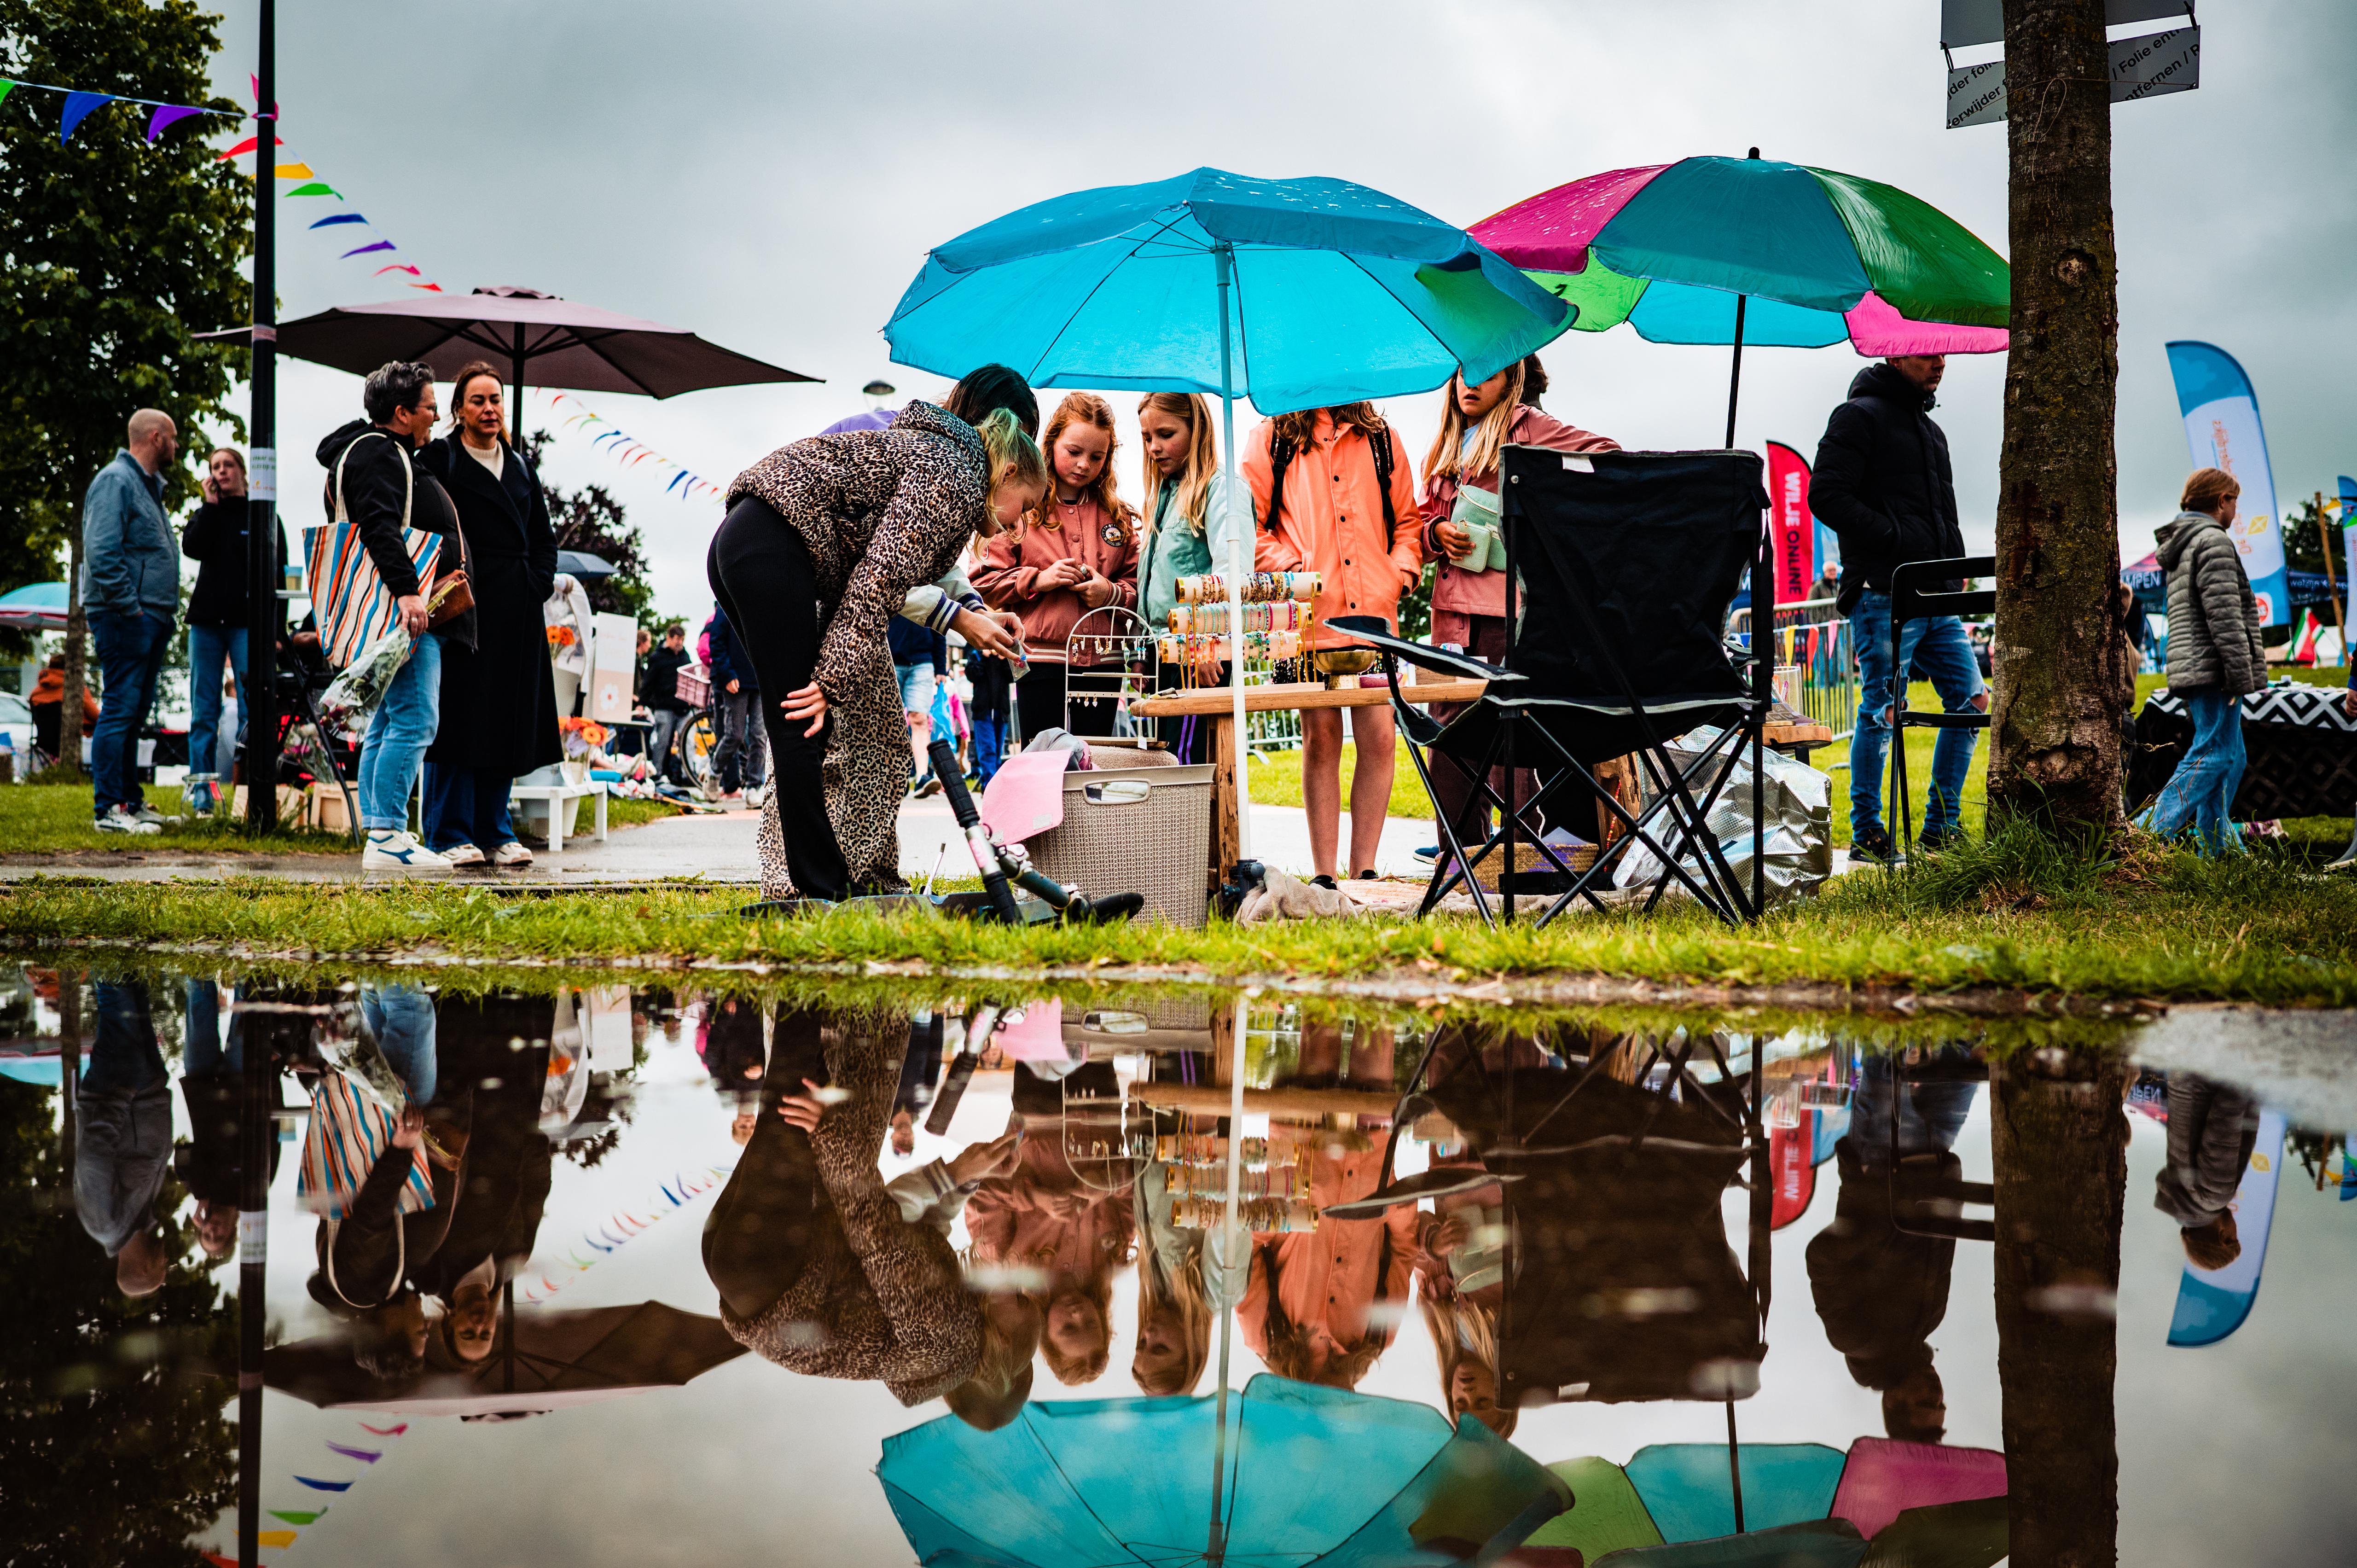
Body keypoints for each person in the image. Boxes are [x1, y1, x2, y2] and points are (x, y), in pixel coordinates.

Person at [710, 364, 1048, 903]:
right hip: (775, 547)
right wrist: (831, 680)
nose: (1018, 525)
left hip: (749, 540)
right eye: (1024, 506)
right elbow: (880, 579)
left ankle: (838, 880)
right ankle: (818, 889)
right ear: (1006, 463)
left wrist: (971, 608)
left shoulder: (943, 459)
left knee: (812, 727)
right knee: (800, 725)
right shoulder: (952, 473)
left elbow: (913, 564)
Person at [703, 1006, 1033, 1426]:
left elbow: (879, 1236)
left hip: (771, 1270)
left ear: (1004, 1343)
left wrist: (830, 1134)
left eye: (1020, 1301)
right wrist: (971, 1178)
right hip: (747, 1274)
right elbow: (923, 1232)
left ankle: (804, 973)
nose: (1018, 1285)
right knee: (802, 1076)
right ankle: (815, 986)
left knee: (796, 1071)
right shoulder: (936, 1349)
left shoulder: (946, 1340)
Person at [1419, 357, 1618, 853]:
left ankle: (1520, 854)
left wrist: (1540, 517)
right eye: (1463, 373)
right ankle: (1461, 856)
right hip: (1450, 617)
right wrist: (1436, 532)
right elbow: (1419, 523)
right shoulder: (1445, 444)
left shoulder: (1528, 427)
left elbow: (1607, 455)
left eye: (1486, 373)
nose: (1470, 383)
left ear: (1511, 381)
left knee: (1511, 736)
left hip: (1505, 613)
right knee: (1447, 738)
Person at [1810, 354, 1987, 861]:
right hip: (1882, 591)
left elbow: (1940, 510)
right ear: (1895, 353)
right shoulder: (1858, 415)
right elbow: (1825, 493)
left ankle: (1940, 829)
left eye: (1943, 353)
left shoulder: (1932, 432)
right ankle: (1867, 834)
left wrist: (1951, 566)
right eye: (1927, 354)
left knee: (1973, 701)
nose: (1939, 362)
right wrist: (1891, 538)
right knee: (1882, 710)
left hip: (1936, 595)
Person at [1245, 402, 1423, 883]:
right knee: (1320, 739)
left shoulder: (1382, 438)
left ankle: (1364, 870)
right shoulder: (1272, 438)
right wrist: (1290, 569)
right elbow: (1248, 526)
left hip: (1374, 622)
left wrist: (1398, 575)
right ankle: (1324, 876)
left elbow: (1409, 523)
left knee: (1380, 739)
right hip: (1303, 620)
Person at [317, 361, 463, 871]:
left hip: (390, 609)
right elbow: (380, 525)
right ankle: (387, 836)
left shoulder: (373, 450)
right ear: (402, 413)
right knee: (417, 718)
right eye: (430, 407)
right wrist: (407, 592)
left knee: (388, 721)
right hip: (400, 610)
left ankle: (383, 831)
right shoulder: (380, 453)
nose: (436, 417)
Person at [416, 363, 561, 867]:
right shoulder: (440, 458)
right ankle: (448, 833)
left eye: (495, 399)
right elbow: (421, 525)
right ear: (458, 409)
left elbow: (544, 540)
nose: (489, 409)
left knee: (505, 718)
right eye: (477, 400)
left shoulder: (521, 466)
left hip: (517, 610)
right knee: (458, 717)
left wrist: (535, 585)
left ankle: (495, 831)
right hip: (462, 607)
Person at [1805, 1050, 1979, 1443]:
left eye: (1925, 1403)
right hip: (1937, 1149)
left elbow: (1821, 1260)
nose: (1937, 1394)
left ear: (1893, 1402)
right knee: (1963, 1042)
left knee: (1887, 1045)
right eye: (1941, 1405)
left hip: (1884, 1156)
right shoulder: (1928, 1322)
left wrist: (1882, 1223)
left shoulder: (1855, 1338)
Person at [972, 393, 1140, 743]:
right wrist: (1037, 580)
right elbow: (982, 580)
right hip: (1039, 662)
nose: (1084, 464)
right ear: (1051, 444)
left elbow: (1141, 585)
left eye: (1097, 457)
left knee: (1094, 759)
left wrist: (1110, 593)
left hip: (1105, 664)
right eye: (1074, 452)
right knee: (1042, 760)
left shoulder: (1119, 517)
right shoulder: (1019, 507)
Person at [2143, 468, 2267, 854]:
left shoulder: (2187, 543)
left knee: (2230, 756)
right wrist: (2238, 675)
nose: (2236, 509)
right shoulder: (2213, 540)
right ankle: (2145, 837)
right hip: (2215, 668)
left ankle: (2220, 851)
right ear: (2220, 501)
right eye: (2235, 501)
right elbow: (2225, 616)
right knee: (2214, 755)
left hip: (2197, 664)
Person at [1134, 392, 1251, 764]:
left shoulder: (1223, 489)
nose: (1154, 447)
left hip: (1198, 653)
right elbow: (1149, 584)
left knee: (1184, 767)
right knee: (1161, 765)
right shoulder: (1163, 493)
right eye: (1147, 437)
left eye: (1166, 434)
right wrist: (1140, 651)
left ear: (1197, 428)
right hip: (1161, 652)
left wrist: (1208, 644)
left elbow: (1233, 575)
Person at [81, 409, 182, 834]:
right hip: (126, 616)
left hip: (147, 615)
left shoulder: (145, 486)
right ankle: (109, 809)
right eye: (173, 438)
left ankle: (129, 803)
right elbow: (101, 552)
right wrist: (130, 607)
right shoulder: (116, 480)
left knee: (133, 713)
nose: (177, 445)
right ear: (156, 437)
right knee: (120, 709)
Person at [180, 446, 284, 814]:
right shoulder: (207, 513)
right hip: (207, 623)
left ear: (242, 470)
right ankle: (202, 798)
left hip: (247, 625)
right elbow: (192, 547)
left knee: (251, 709)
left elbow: (279, 574)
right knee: (203, 712)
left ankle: (249, 795)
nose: (221, 471)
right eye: (215, 467)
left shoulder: (264, 514)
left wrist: (277, 631)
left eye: (227, 465)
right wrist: (210, 505)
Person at [74, 979, 173, 1297]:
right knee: (135, 994)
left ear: (144, 1268)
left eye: (161, 1268)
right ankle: (118, 957)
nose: (166, 1261)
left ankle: (102, 952)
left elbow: (93, 1156)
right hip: (145, 1088)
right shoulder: (139, 1219)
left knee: (116, 998)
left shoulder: (105, 1225)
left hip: (119, 1087)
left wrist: (121, 1097)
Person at [2152, 1072, 2260, 1272]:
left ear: (2223, 1237)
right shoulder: (2185, 1199)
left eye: (2235, 1236)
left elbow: (2225, 1120)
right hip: (2186, 1076)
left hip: (2209, 1074)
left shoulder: (2213, 1198)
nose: (2236, 1228)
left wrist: (2248, 1075)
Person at [703, 604, 767, 803]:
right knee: (735, 735)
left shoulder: (762, 608)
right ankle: (713, 773)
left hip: (759, 682)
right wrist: (727, 674)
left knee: (759, 736)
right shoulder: (726, 607)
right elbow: (716, 642)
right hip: (735, 682)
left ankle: (754, 786)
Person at [887, 615, 944, 793]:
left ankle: (922, 777)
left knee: (920, 719)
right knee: (890, 722)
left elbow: (940, 625)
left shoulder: (930, 592)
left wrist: (941, 668)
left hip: (922, 661)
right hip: (890, 659)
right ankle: (894, 780)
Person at [642, 623, 692, 782]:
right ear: (669, 638)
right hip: (664, 706)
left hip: (683, 707)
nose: (680, 643)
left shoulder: (685, 657)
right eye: (677, 639)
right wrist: (642, 703)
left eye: (682, 640)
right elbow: (648, 682)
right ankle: (656, 773)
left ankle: (687, 775)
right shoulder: (657, 657)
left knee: (687, 741)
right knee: (662, 742)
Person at [29, 653, 98, 766]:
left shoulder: (35, 693)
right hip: (74, 743)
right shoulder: (76, 689)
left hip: (44, 745)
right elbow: (95, 716)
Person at [967, 648, 1013, 787]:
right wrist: (983, 658)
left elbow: (1013, 677)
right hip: (983, 711)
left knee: (998, 749)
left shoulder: (1004, 656)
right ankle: (990, 784)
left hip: (1001, 710)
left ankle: (992, 783)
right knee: (988, 748)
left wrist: (1004, 660)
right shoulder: (976, 655)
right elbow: (972, 675)